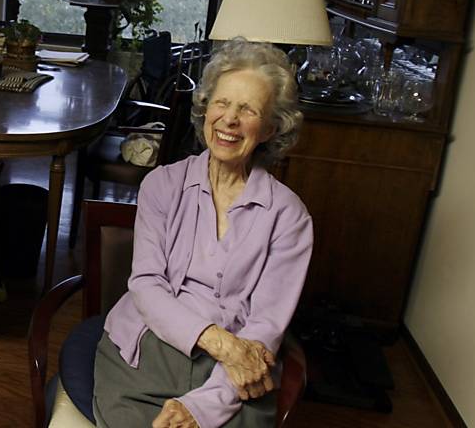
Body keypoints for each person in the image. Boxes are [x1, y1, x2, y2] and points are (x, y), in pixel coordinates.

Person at [93, 38, 313, 428]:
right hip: (147, 346)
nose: (229, 119)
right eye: (222, 103)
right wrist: (222, 343)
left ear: (268, 128)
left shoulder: (289, 216)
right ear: (206, 109)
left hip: (234, 372)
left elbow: (266, 325)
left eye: (247, 110)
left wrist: (203, 407)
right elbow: (146, 285)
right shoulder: (161, 185)